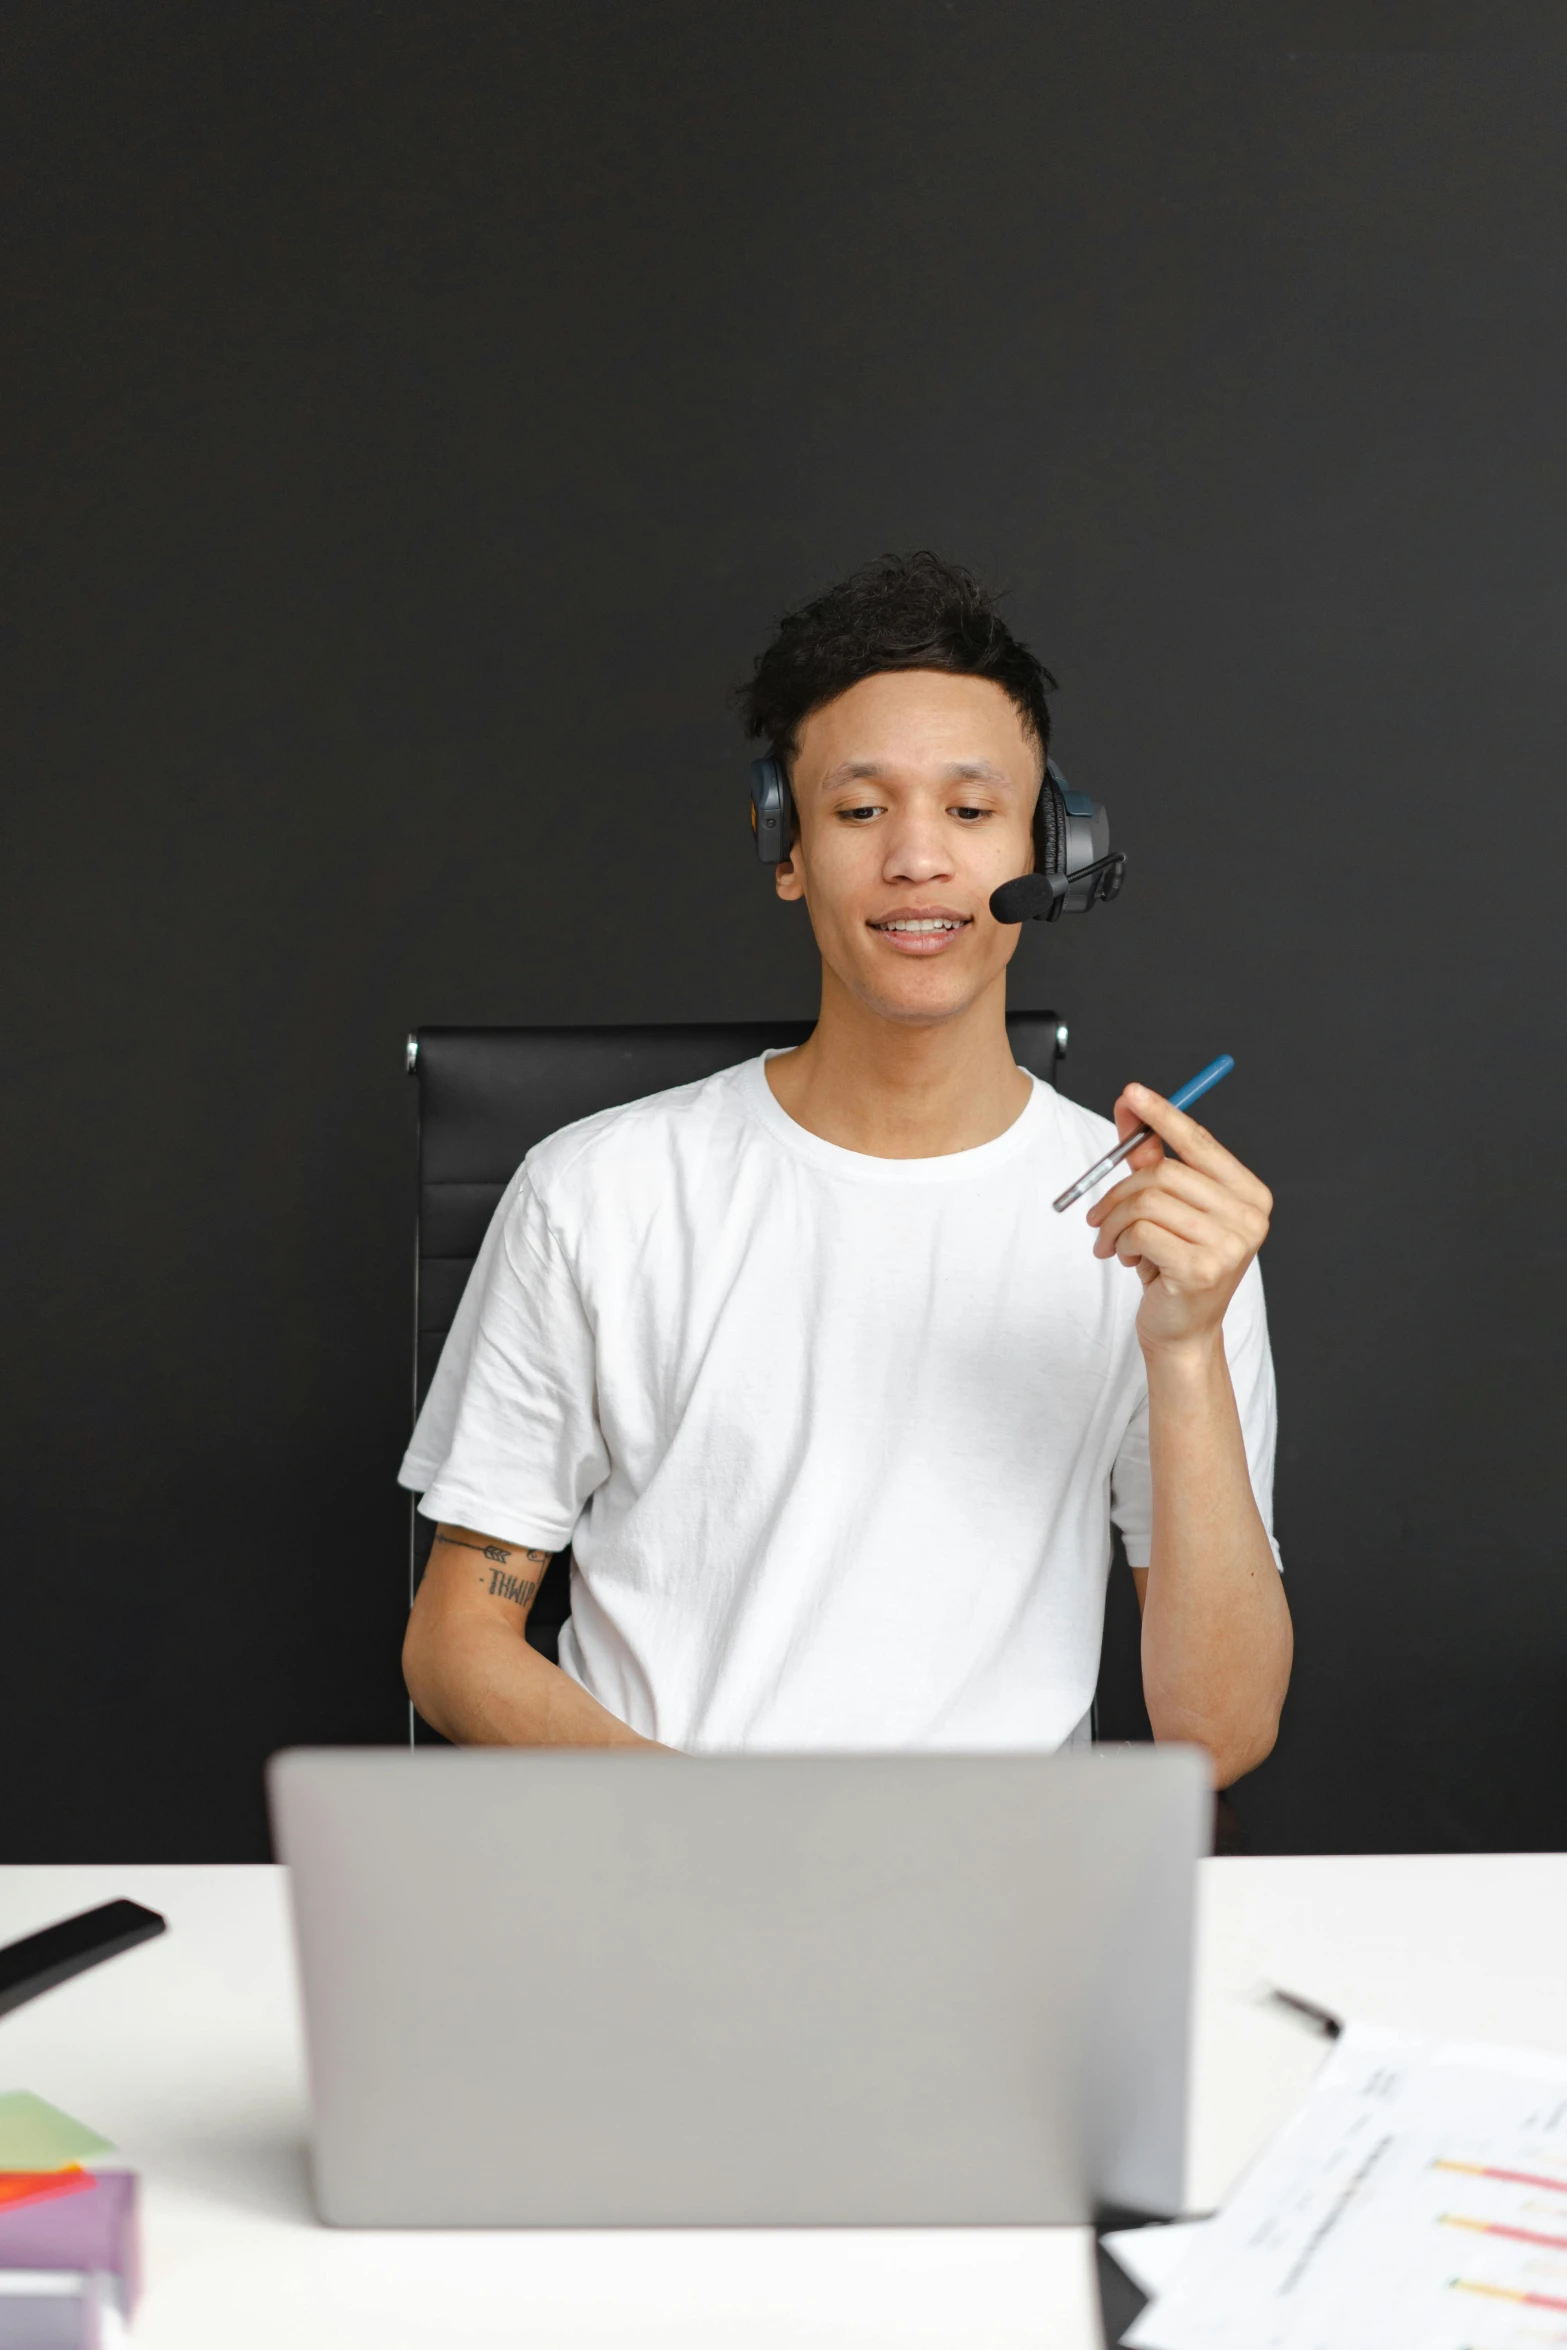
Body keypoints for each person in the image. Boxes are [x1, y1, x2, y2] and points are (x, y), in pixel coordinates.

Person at [400, 552, 1292, 1784]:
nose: (918, 860)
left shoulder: (1157, 1232)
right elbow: (453, 1642)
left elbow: (1221, 1734)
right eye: (861, 809)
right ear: (785, 845)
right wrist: (712, 1835)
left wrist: (1185, 1348)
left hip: (994, 1899)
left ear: (1054, 850)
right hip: (668, 1877)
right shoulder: (594, 1191)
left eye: (972, 813)